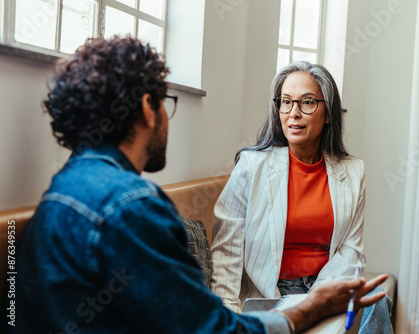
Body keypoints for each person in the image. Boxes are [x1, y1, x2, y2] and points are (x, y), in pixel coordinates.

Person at [8, 38, 387, 333]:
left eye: (306, 103)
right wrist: (309, 310)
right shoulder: (133, 208)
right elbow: (212, 328)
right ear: (146, 108)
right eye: (166, 103)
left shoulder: (59, 192)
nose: (293, 113)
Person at [211, 61, 393, 332]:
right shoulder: (251, 166)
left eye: (307, 102)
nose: (294, 113)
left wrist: (317, 300)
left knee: (379, 302)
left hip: (326, 283)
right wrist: (227, 317)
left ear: (328, 113)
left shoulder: (353, 172)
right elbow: (227, 250)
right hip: (271, 293)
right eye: (286, 102)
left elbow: (352, 250)